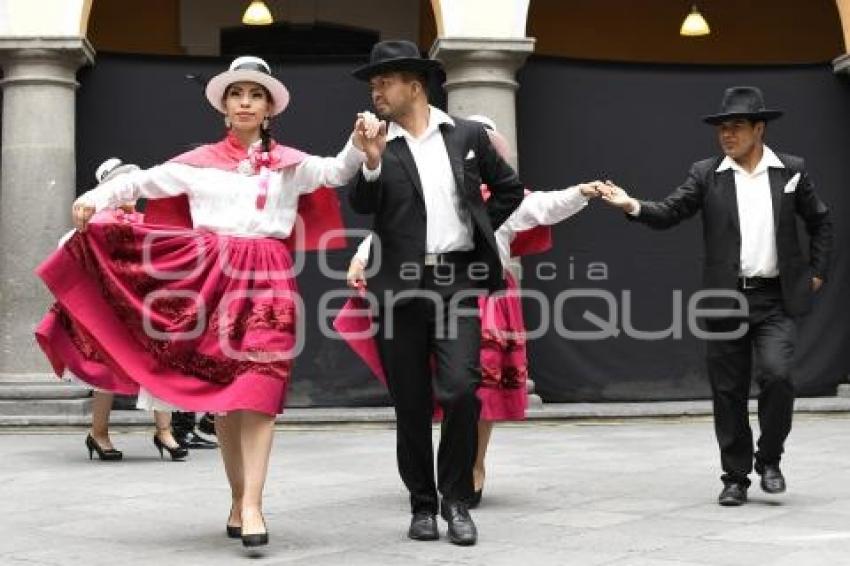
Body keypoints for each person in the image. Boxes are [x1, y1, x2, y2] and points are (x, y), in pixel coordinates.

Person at [35, 55, 385, 547]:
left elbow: (334, 172)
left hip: (269, 279)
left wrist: (361, 144)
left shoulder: (289, 166)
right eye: (236, 95)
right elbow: (142, 181)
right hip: (212, 282)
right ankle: (238, 497)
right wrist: (100, 196)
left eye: (255, 95)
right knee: (226, 400)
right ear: (224, 108)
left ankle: (254, 505)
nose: (245, 102)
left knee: (261, 392)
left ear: (269, 109)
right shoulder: (197, 163)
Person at [344, 116, 601, 507]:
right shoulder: (429, 191)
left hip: (486, 298)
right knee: (426, 386)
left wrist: (581, 192)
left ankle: (472, 466)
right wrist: (361, 257)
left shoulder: (502, 200)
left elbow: (545, 206)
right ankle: (429, 484)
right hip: (425, 292)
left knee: (477, 391)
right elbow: (393, 231)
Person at [598, 86, 832, 506]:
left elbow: (821, 222)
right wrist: (630, 204)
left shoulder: (791, 170)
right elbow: (670, 211)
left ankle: (770, 459)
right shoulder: (707, 173)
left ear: (759, 128)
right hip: (725, 298)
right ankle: (736, 477)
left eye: (737, 127)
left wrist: (817, 271)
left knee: (778, 376)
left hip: (775, 297)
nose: (727, 135)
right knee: (728, 391)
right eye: (722, 128)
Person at [347, 39, 529, 546]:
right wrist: (372, 160)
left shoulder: (467, 134)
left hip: (457, 280)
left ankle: (457, 500)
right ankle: (422, 505)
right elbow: (361, 204)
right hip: (398, 287)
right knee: (411, 401)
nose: (376, 91)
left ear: (415, 84)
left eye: (384, 81)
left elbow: (509, 190)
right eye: (373, 83)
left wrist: (478, 231)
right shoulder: (378, 140)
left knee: (461, 391)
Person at [43, 158, 188, 462]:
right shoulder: (92, 225)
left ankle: (165, 432)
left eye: (133, 183)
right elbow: (68, 256)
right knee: (106, 368)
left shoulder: (147, 221)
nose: (129, 191)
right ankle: (99, 433)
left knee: (158, 364)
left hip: (145, 308)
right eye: (123, 182)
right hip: (109, 309)